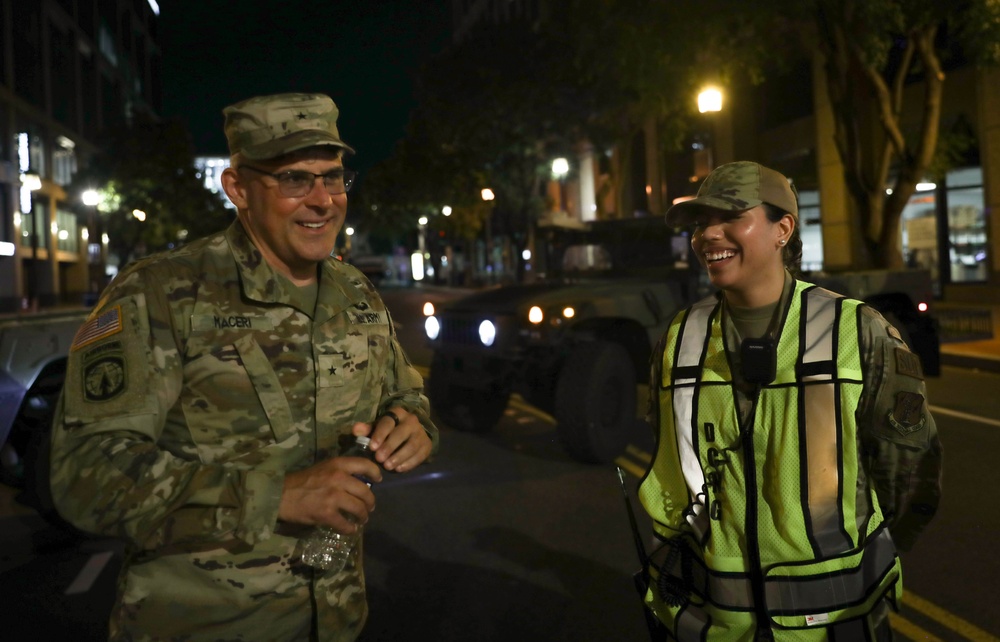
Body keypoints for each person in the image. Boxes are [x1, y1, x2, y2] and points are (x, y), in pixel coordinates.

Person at [49, 92, 438, 641]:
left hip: (336, 618)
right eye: (295, 180)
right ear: (238, 190)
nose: (323, 200)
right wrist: (275, 495)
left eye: (333, 177)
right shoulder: (161, 293)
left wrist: (411, 423)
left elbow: (405, 393)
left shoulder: (355, 291)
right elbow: (85, 476)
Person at [638, 161, 942, 640]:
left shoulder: (857, 331)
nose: (707, 235)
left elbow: (910, 476)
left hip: (835, 625)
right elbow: (669, 470)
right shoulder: (678, 339)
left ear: (783, 229)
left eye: (730, 217)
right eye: (700, 224)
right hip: (713, 624)